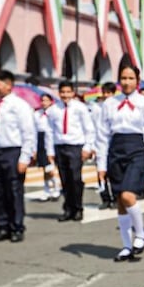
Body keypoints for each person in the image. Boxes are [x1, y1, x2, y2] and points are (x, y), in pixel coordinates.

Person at [96, 63, 144, 261]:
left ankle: (140, 234)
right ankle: (126, 245)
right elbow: (102, 135)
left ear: (138, 81)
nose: (127, 82)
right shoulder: (109, 103)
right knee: (120, 202)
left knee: (128, 195)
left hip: (137, 150)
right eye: (123, 78)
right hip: (116, 150)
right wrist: (101, 164)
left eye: (131, 78)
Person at [0, 70, 36, 243]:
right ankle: (2, 226)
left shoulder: (19, 105)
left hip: (12, 151)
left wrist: (25, 157)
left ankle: (17, 226)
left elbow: (28, 132)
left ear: (8, 85)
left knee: (14, 190)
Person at [46, 80, 96, 222]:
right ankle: (68, 208)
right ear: (59, 93)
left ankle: (78, 208)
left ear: (73, 93)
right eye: (63, 92)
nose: (65, 95)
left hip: (75, 146)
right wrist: (50, 151)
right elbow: (50, 131)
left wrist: (87, 147)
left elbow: (88, 128)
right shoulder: (53, 110)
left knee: (75, 179)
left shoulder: (80, 108)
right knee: (65, 179)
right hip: (60, 146)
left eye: (68, 92)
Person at [91, 82, 116, 210]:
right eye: (105, 92)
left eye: (109, 93)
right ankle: (105, 197)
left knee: (114, 171)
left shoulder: (116, 106)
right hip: (99, 142)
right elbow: (93, 127)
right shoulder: (97, 107)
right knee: (100, 172)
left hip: (113, 143)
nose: (106, 95)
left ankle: (116, 197)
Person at [34, 93, 60, 201]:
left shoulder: (54, 112)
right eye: (42, 100)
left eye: (46, 100)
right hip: (41, 139)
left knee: (51, 167)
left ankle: (56, 188)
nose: (44, 103)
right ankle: (47, 189)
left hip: (52, 138)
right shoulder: (36, 114)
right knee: (45, 167)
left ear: (51, 101)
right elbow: (33, 129)